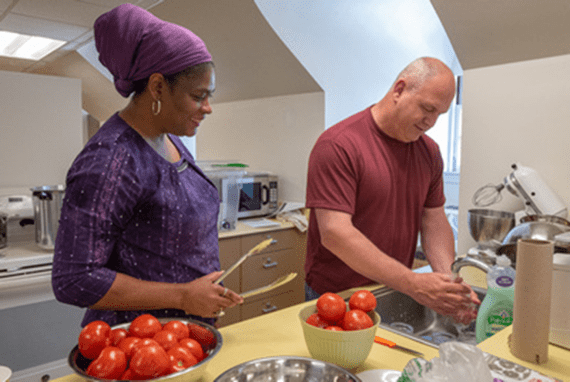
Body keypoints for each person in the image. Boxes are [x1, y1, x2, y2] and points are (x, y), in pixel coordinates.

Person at [51, 3, 242, 328]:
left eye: (209, 95)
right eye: (198, 96)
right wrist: (183, 296)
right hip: (139, 342)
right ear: (157, 87)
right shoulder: (109, 161)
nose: (207, 108)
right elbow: (73, 278)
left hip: (184, 333)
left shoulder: (171, 140)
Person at [304, 57, 479, 324]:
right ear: (399, 90)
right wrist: (414, 284)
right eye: (427, 108)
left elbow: (433, 219)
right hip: (338, 297)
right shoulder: (339, 145)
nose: (431, 122)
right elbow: (335, 233)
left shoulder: (429, 152)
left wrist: (448, 281)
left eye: (439, 114)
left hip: (391, 287)